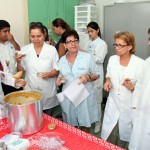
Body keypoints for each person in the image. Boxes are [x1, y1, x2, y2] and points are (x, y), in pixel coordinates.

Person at [101, 31, 144, 149]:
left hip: (129, 108)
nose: (116, 48)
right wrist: (108, 81)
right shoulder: (112, 59)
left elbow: (144, 90)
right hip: (113, 105)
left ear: (130, 47)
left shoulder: (140, 64)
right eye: (115, 45)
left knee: (125, 140)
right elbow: (109, 74)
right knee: (109, 138)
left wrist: (132, 87)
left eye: (120, 45)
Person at [56, 29, 100, 133]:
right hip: (69, 97)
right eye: (69, 42)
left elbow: (97, 74)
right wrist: (59, 81)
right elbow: (61, 76)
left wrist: (88, 77)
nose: (73, 44)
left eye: (76, 41)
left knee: (85, 125)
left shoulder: (87, 57)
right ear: (64, 45)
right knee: (71, 127)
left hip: (84, 96)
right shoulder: (62, 60)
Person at [16, 22, 59, 116]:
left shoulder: (51, 50)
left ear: (44, 34)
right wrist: (19, 61)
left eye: (39, 36)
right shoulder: (25, 49)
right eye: (33, 36)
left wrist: (49, 74)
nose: (36, 39)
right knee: (32, 117)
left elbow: (56, 69)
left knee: (48, 118)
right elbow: (21, 71)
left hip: (47, 90)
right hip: (30, 88)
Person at [128, 28, 150, 150]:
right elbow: (140, 89)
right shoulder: (147, 63)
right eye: (149, 39)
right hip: (142, 118)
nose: (149, 43)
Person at [84, 21, 108, 134]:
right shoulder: (88, 42)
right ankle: (91, 119)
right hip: (88, 75)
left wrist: (88, 56)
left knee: (97, 100)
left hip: (97, 74)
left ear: (97, 30)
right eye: (88, 31)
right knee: (88, 99)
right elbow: (83, 54)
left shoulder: (102, 44)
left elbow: (100, 59)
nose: (90, 33)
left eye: (92, 31)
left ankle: (98, 122)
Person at [0, 20, 21, 95]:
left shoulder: (11, 42)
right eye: (5, 31)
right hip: (3, 80)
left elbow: (19, 52)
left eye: (9, 31)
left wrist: (13, 41)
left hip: (15, 76)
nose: (8, 33)